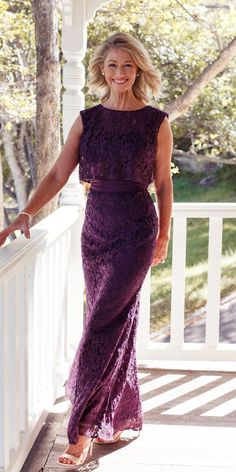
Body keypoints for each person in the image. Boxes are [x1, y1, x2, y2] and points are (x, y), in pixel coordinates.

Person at [0, 32, 173, 468]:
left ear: (138, 70)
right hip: (95, 228)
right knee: (114, 322)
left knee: (101, 323)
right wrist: (25, 214)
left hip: (136, 227)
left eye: (127, 66)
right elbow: (60, 173)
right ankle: (117, 415)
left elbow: (164, 183)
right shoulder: (87, 120)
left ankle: (81, 432)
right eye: (112, 65)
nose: (119, 73)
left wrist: (164, 235)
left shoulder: (156, 121)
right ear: (101, 69)